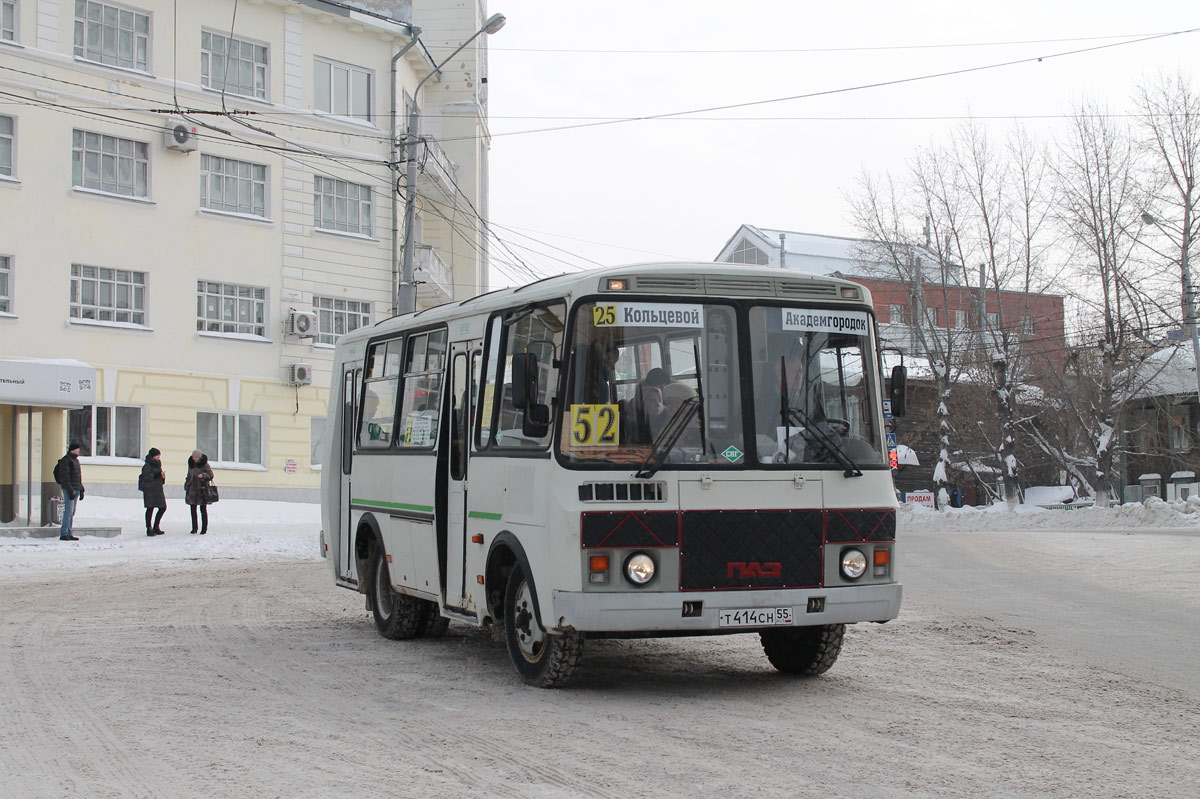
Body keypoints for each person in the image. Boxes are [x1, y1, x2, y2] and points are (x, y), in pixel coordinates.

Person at [54, 442, 84, 541]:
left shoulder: (75, 460)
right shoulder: (66, 461)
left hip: (75, 488)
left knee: (72, 512)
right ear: (72, 449)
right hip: (69, 489)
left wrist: (81, 489)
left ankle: (69, 532)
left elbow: (78, 477)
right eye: (77, 449)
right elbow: (65, 477)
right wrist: (70, 490)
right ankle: (64, 533)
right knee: (68, 511)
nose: (79, 450)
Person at [185, 450, 214, 535]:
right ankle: (194, 528)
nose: (194, 459)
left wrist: (203, 475)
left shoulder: (205, 464)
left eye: (195, 457)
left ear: (199, 457)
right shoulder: (191, 464)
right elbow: (188, 476)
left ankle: (204, 529)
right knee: (193, 510)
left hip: (202, 490)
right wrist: (187, 485)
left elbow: (211, 475)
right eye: (193, 457)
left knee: (203, 510)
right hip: (192, 490)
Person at [140, 447, 167, 536]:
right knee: (150, 508)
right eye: (157, 456)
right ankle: (149, 528)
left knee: (162, 507)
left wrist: (162, 477)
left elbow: (158, 475)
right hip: (150, 490)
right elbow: (146, 477)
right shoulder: (147, 465)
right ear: (153, 456)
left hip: (158, 489)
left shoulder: (158, 464)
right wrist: (157, 475)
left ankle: (156, 526)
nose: (159, 457)